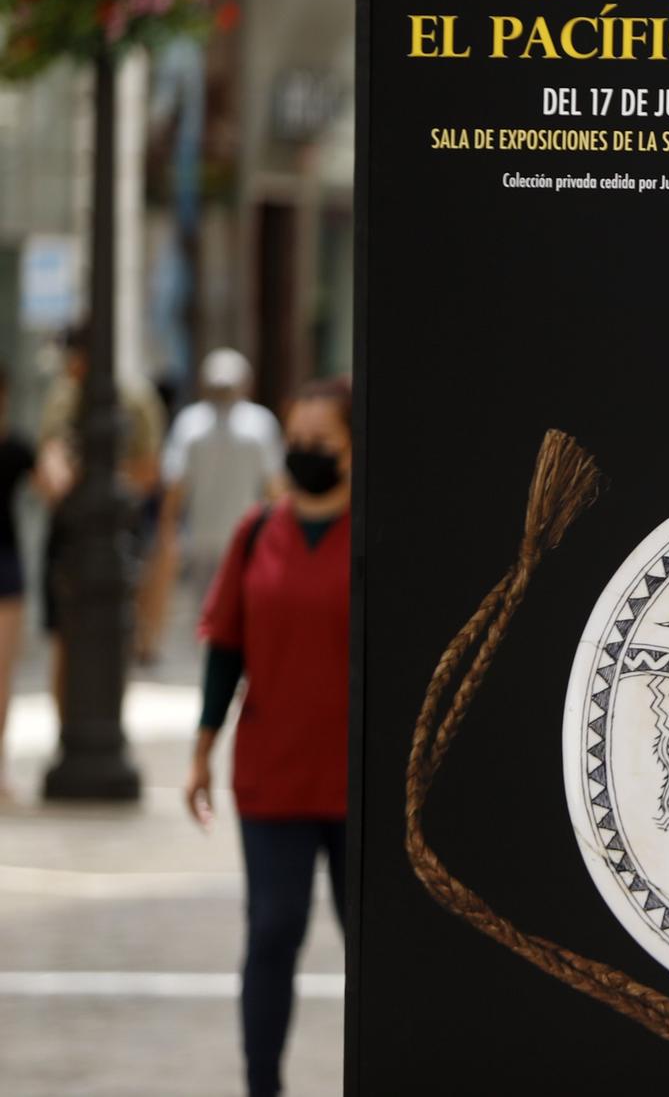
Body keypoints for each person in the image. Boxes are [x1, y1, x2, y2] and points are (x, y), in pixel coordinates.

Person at [184, 377, 352, 1097]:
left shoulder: (378, 533)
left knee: (372, 946)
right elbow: (226, 648)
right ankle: (262, 1086)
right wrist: (201, 750)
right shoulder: (255, 533)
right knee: (274, 931)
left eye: (323, 442)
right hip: (273, 773)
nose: (306, 453)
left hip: (358, 779)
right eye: (297, 441)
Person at [37, 322, 167, 703]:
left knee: (115, 634)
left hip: (119, 528)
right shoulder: (64, 396)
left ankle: (109, 714)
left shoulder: (135, 398)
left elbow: (151, 469)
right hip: (70, 532)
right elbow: (51, 461)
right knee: (65, 634)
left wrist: (104, 488)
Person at [160, 348, 285, 606]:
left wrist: (168, 531)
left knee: (210, 613)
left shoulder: (190, 423)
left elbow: (175, 485)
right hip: (238, 538)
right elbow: (275, 488)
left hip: (214, 539)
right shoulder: (259, 423)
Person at [0, 369, 39, 797]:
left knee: (2, 673)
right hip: (8, 563)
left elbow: (51, 486)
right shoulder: (16, 446)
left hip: (7, 564)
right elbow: (54, 486)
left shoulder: (16, 447)